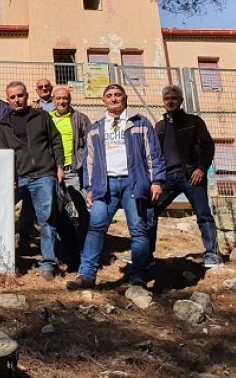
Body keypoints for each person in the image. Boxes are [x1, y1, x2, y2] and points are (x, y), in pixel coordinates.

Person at [67, 84, 165, 289]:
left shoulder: (141, 123)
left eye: (117, 95)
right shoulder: (96, 128)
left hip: (134, 184)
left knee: (138, 230)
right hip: (105, 185)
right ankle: (86, 275)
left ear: (125, 98)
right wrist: (90, 188)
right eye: (109, 96)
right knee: (95, 229)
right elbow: (89, 161)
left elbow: (153, 155)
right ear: (104, 101)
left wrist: (156, 181)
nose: (113, 99)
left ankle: (138, 276)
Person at [0, 81, 65, 281]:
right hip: (18, 179)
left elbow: (56, 141)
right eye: (13, 97)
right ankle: (7, 261)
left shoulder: (41, 116)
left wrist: (59, 167)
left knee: (47, 221)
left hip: (43, 175)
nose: (17, 100)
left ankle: (48, 265)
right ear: (7, 100)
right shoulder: (2, 126)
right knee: (4, 219)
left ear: (26, 96)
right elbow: (2, 155)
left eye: (20, 95)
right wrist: (8, 179)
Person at [153, 84, 220, 267]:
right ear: (163, 102)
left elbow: (208, 146)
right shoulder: (159, 126)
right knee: (149, 212)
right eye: (167, 99)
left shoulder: (193, 121)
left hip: (191, 175)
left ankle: (212, 254)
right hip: (166, 177)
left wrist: (201, 168)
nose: (170, 101)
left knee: (203, 214)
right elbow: (154, 154)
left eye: (174, 98)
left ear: (180, 101)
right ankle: (145, 256)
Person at [49, 86, 92, 267]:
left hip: (73, 170)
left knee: (82, 208)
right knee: (57, 209)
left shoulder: (80, 118)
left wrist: (80, 162)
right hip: (51, 170)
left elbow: (89, 143)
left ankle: (85, 247)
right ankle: (63, 248)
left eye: (65, 98)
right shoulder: (46, 118)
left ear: (70, 99)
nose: (62, 101)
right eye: (58, 98)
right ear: (53, 100)